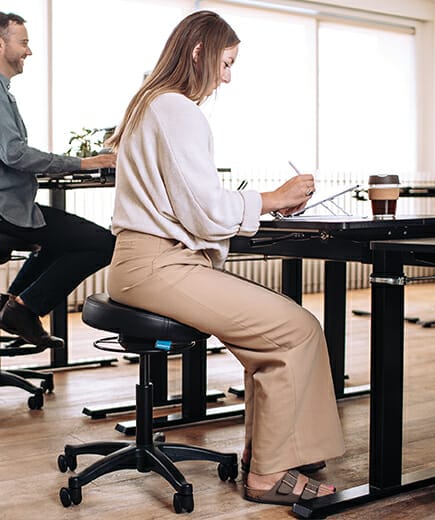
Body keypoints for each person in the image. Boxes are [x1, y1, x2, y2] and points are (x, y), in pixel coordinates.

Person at [106, 10, 345, 506]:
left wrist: (256, 203)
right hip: (159, 264)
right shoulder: (175, 108)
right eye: (227, 62)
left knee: (273, 335)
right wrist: (274, 197)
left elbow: (191, 203)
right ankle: (267, 474)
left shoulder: (150, 104)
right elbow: (206, 211)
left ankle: (273, 455)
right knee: (295, 328)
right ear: (200, 52)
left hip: (142, 263)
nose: (227, 77)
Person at [0, 11, 117, 348]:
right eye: (24, 43)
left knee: (60, 238)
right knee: (103, 243)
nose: (29, 52)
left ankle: (16, 305)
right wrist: (85, 162)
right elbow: (14, 154)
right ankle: (22, 308)